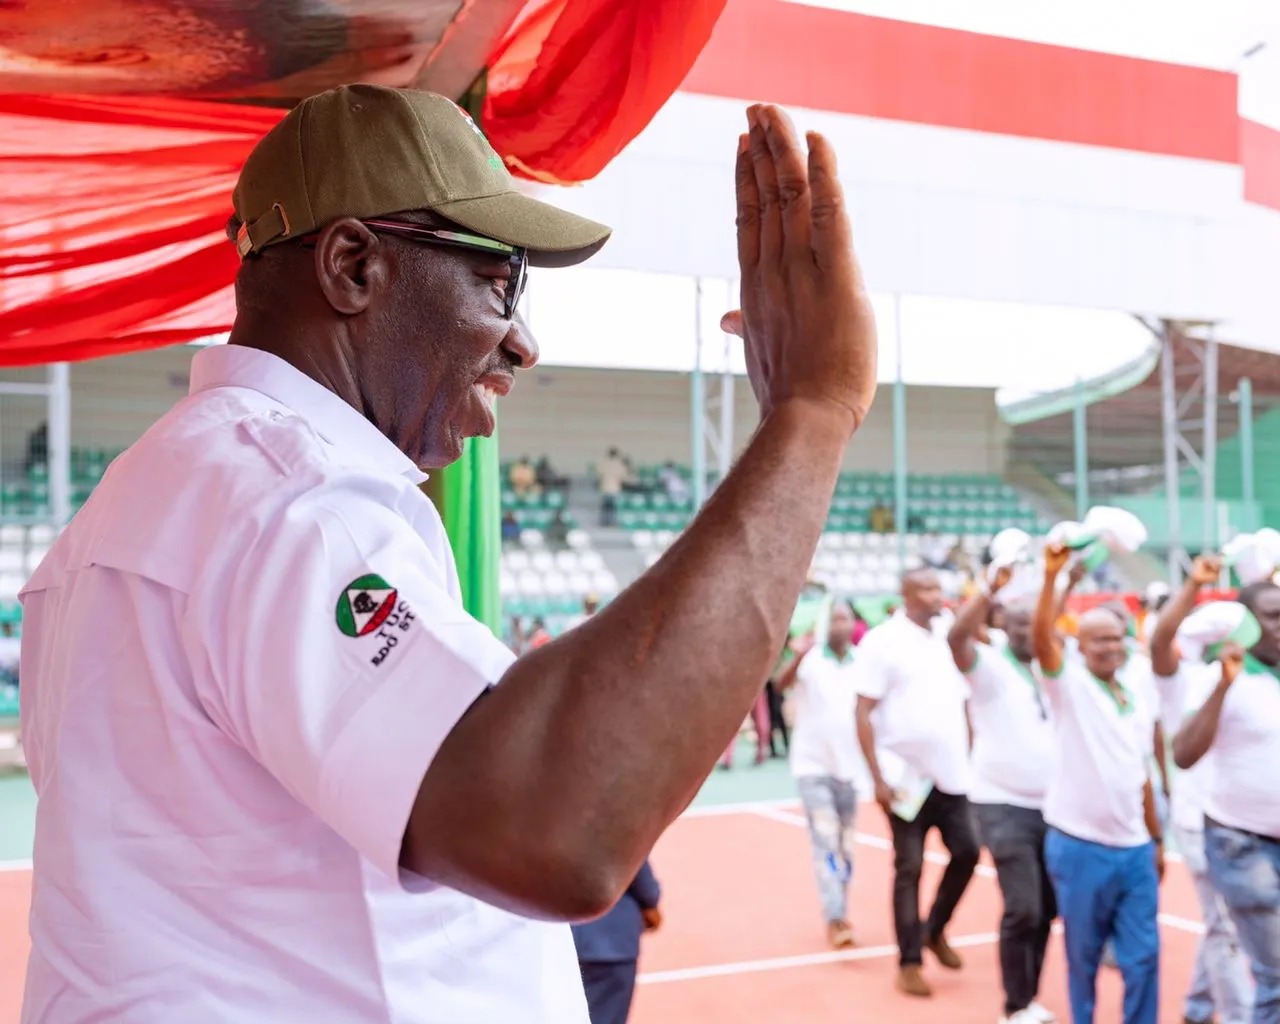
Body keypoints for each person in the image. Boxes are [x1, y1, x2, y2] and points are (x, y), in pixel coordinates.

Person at [17, 86, 879, 1021]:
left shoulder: (177, 489)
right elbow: (560, 823)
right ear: (352, 266)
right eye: (498, 281)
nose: (525, 341)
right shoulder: (290, 500)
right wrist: (812, 413)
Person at [1033, 543, 1165, 1024]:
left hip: (1134, 849)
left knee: (1144, 956)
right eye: (1099, 641)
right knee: (1083, 959)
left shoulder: (1135, 689)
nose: (1111, 647)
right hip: (1080, 846)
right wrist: (1052, 579)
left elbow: (1141, 772)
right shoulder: (1067, 686)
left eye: (1117, 638)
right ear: (1080, 647)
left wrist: (1156, 838)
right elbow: (1043, 641)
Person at [854, 568, 980, 998]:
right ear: (905, 595)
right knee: (909, 867)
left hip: (951, 772)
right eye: (925, 589)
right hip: (904, 777)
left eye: (937, 588)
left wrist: (972, 747)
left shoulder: (950, 636)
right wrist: (877, 777)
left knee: (967, 851)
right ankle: (909, 961)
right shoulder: (882, 641)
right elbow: (863, 711)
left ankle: (934, 929)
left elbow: (963, 697)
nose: (935, 596)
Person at [947, 569, 1057, 1024]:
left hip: (1054, 806)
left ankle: (1029, 997)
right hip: (1001, 803)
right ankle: (1014, 1007)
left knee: (1048, 908)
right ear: (1001, 628)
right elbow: (956, 639)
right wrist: (988, 591)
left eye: (1036, 626)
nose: (1028, 634)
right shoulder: (989, 667)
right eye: (1018, 626)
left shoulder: (1053, 667)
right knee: (1023, 905)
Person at [1169, 580, 1280, 1024]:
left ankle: (1197, 1008)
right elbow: (1183, 753)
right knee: (1275, 976)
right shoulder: (1219, 677)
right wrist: (1224, 687)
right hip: (1243, 843)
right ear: (1249, 625)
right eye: (1273, 616)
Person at [1149, 557, 1255, 1024]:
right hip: (1200, 822)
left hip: (1245, 823)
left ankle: (1196, 1006)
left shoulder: (1256, 682)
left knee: (1221, 924)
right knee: (1225, 931)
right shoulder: (1184, 682)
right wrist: (1194, 586)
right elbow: (1160, 642)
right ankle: (1237, 1016)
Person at [775, 601, 863, 948]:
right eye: (835, 619)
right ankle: (836, 916)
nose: (841, 625)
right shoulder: (812, 661)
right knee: (826, 839)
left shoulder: (863, 662)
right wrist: (797, 656)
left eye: (847, 618)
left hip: (850, 770)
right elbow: (780, 685)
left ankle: (841, 907)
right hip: (813, 768)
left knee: (845, 846)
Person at [571, 859, 662, 1024]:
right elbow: (639, 872)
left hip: (567, 939)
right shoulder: (611, 835)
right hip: (612, 944)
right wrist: (651, 904)